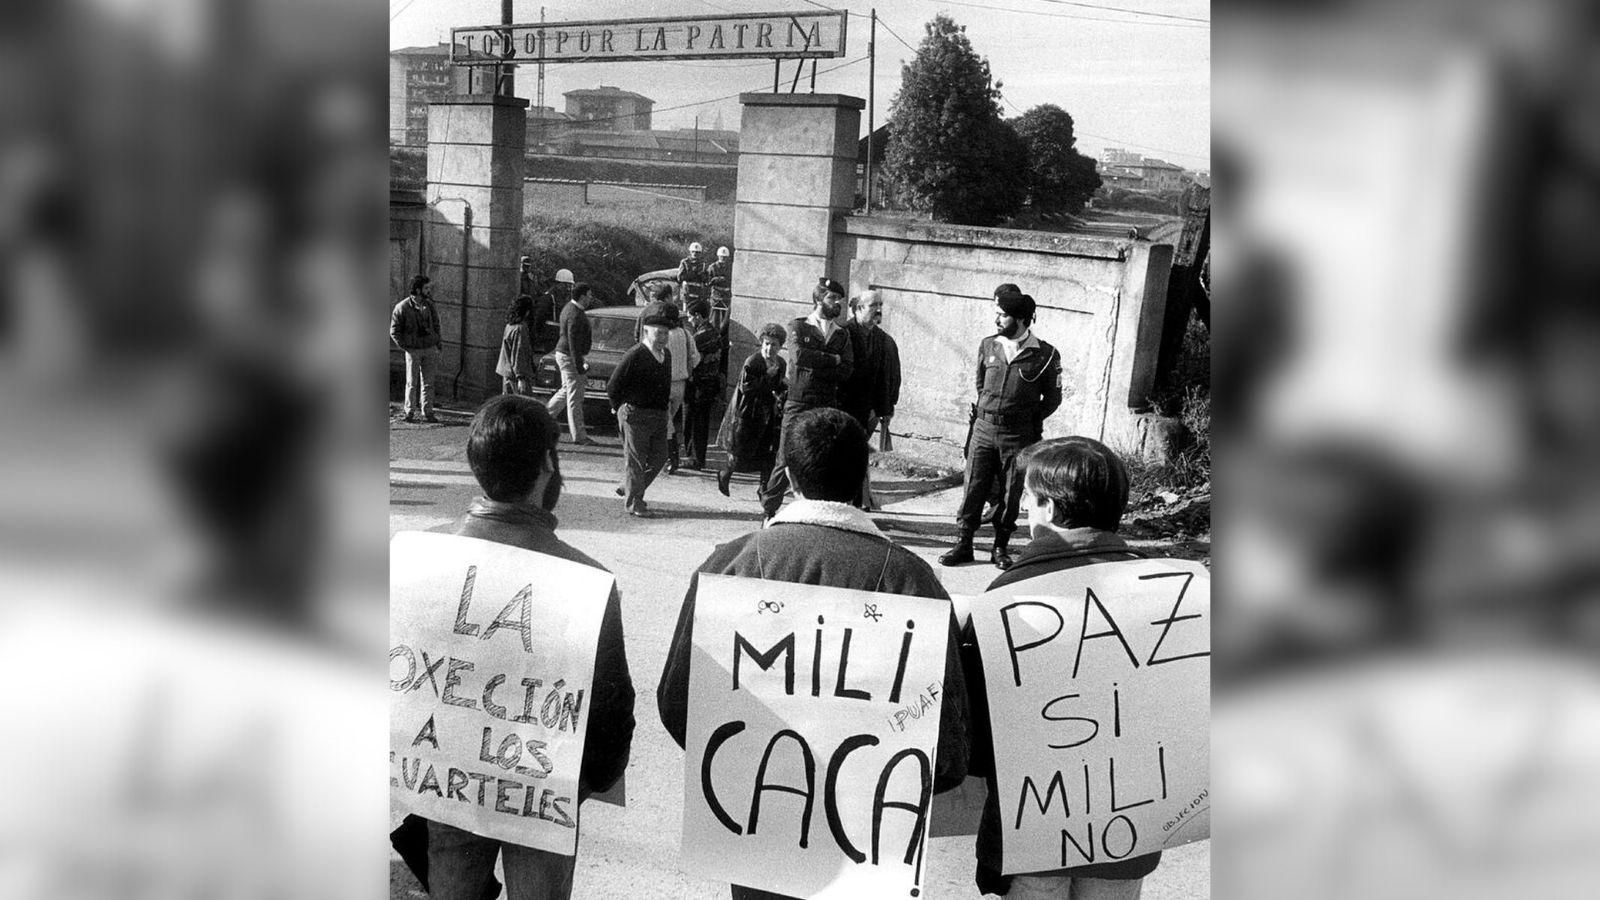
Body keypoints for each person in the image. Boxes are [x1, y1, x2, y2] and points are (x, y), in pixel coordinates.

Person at [657, 408, 971, 900]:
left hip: (758, 829)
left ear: (786, 476)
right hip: (869, 837)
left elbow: (680, 705)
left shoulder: (730, 566)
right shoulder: (913, 582)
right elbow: (948, 743)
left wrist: (738, 773)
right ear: (864, 477)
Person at [401, 395, 637, 900]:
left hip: (448, 788)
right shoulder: (585, 581)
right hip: (544, 796)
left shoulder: (414, 561)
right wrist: (581, 785)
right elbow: (613, 714)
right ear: (548, 464)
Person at [960, 436, 1157, 900]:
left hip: (1035, 824)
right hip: (1128, 826)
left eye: (1028, 498)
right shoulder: (1165, 590)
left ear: (1047, 508)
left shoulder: (1009, 594)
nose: (1024, 507)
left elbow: (979, 727)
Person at [940, 291, 1062, 570]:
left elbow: (1053, 400)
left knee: (1010, 492)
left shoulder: (1045, 355)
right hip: (983, 429)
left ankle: (1000, 547)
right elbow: (981, 386)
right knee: (973, 486)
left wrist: (1025, 421)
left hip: (1018, 436)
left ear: (1020, 319)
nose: (997, 319)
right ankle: (964, 543)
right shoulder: (988, 345)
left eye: (1003, 315)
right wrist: (990, 414)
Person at [758, 277, 853, 520]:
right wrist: (832, 360)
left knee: (822, 457)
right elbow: (799, 356)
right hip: (799, 402)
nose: (837, 304)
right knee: (785, 456)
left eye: (839, 300)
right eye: (832, 298)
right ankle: (769, 510)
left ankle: (818, 513)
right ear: (819, 299)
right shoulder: (798, 326)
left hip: (826, 403)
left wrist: (819, 362)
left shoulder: (841, 335)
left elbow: (847, 369)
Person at [607, 300, 675, 518]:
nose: (663, 337)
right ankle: (634, 502)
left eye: (666, 333)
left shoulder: (667, 356)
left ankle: (628, 486)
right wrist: (618, 407)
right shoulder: (636, 353)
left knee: (659, 457)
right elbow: (613, 384)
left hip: (659, 415)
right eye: (659, 332)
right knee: (636, 461)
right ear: (646, 330)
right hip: (636, 414)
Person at [839, 289, 901, 509]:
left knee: (858, 452)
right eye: (873, 305)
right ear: (858, 308)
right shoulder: (842, 333)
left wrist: (886, 408)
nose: (878, 310)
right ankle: (850, 500)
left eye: (880, 305)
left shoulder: (884, 341)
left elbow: (893, 376)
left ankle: (859, 500)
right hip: (843, 407)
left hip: (870, 411)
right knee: (844, 454)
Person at [715, 322, 787, 497]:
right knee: (740, 454)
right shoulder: (753, 361)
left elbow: (778, 385)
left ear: (780, 346)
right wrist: (767, 377)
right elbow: (747, 388)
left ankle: (763, 487)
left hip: (768, 414)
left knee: (768, 452)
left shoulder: (781, 363)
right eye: (766, 343)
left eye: (774, 345)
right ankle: (725, 474)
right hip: (747, 413)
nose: (769, 348)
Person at [655, 286, 701, 475]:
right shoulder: (686, 334)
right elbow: (696, 358)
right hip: (681, 385)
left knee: (666, 423)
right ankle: (669, 456)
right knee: (669, 420)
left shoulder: (661, 336)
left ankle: (671, 458)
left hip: (664, 384)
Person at [546, 283, 596, 445]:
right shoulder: (575, 314)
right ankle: (579, 436)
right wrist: (579, 365)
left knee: (567, 391)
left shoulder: (569, 308)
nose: (590, 298)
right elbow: (573, 342)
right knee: (575, 396)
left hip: (563, 354)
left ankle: (543, 418)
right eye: (589, 295)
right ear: (582, 297)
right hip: (569, 356)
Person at [391, 274, 442, 423]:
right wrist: (406, 346)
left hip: (429, 347)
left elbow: (436, 324)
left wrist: (437, 342)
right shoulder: (402, 307)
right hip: (413, 349)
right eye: (426, 288)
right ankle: (409, 412)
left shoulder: (429, 305)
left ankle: (428, 411)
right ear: (418, 289)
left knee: (429, 382)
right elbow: (394, 331)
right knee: (412, 382)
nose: (428, 290)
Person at [682, 299, 724, 470]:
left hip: (697, 385)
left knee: (691, 422)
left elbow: (691, 360)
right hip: (710, 384)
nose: (689, 320)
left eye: (690, 317)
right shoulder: (714, 332)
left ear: (698, 316)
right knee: (702, 423)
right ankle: (699, 458)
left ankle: (693, 458)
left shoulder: (699, 337)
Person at [494, 294, 537, 396]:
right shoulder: (520, 329)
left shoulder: (510, 326)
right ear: (527, 312)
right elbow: (518, 354)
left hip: (507, 374)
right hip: (516, 377)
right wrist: (521, 378)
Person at [676, 241, 710, 309]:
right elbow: (679, 277)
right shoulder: (685, 262)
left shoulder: (703, 264)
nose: (695, 254)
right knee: (686, 312)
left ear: (700, 253)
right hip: (687, 292)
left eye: (697, 252)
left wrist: (702, 276)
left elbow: (707, 280)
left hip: (698, 293)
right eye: (693, 251)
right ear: (690, 252)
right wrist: (691, 275)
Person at [707, 245, 734, 331]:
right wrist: (718, 279)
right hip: (716, 296)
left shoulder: (731, 268)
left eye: (725, 257)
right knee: (714, 317)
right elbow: (708, 281)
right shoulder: (712, 267)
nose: (723, 259)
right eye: (722, 257)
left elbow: (732, 280)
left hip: (726, 297)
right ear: (718, 256)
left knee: (726, 319)